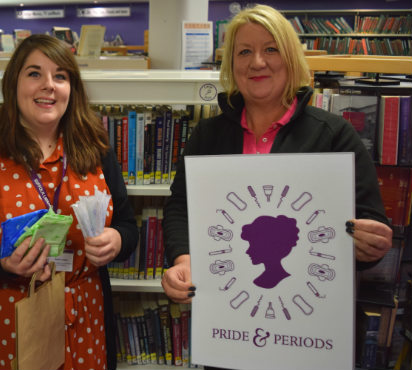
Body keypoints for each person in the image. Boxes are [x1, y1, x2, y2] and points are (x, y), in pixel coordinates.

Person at [161, 3, 392, 305]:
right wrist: (183, 259)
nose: (257, 62)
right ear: (231, 65)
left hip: (307, 316)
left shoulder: (334, 135)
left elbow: (367, 221)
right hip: (224, 310)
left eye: (271, 49)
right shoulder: (207, 135)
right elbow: (180, 206)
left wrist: (370, 245)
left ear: (291, 58)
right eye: (244, 52)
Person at [0, 34, 137, 370]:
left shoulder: (95, 149)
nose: (48, 86)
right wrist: (0, 262)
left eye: (60, 76)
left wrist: (118, 241)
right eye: (34, 74)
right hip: (3, 321)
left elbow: (128, 225)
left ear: (72, 88)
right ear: (14, 83)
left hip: (85, 322)